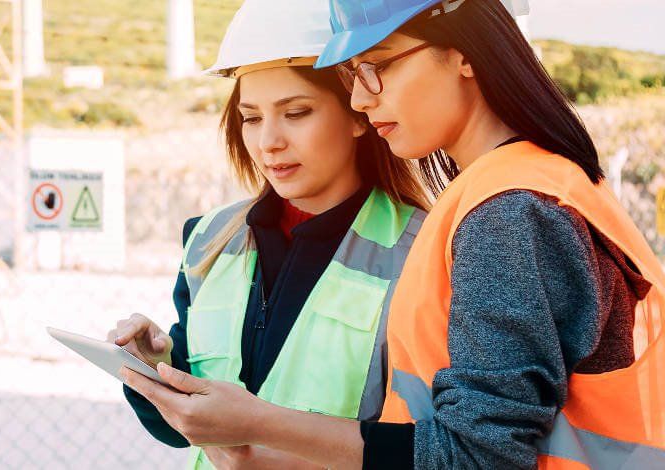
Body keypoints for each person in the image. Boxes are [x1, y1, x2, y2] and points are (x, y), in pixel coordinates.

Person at [121, 0, 665, 469]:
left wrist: (264, 423)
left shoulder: (508, 212)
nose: (361, 97)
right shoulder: (519, 189)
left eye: (378, 66)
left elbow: (477, 456)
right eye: (354, 74)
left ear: (463, 52)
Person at [108, 0, 431, 468]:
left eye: (296, 112)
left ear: (360, 112)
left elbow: (437, 449)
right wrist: (156, 370)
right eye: (252, 117)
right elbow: (186, 435)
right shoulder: (208, 239)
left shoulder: (424, 252)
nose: (268, 142)